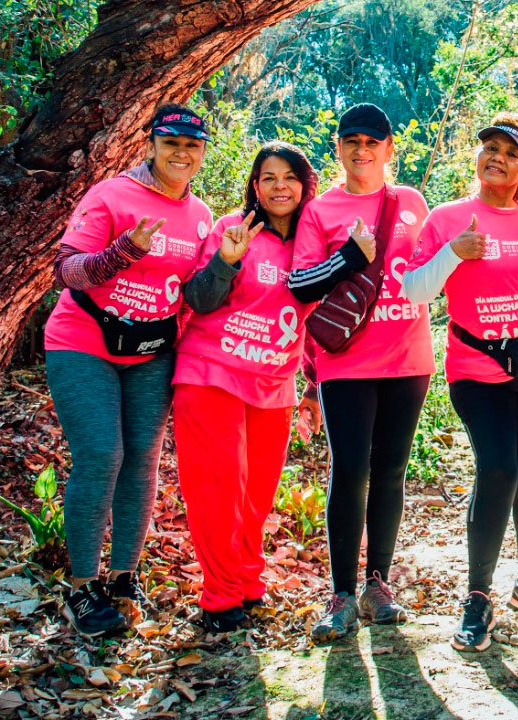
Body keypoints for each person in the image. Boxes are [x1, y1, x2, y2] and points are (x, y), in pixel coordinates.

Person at [44, 103, 213, 636]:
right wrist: (122, 252)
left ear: (202, 152)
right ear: (152, 145)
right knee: (101, 454)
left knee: (141, 460)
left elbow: (193, 293)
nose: (181, 154)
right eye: (171, 144)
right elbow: (67, 271)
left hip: (152, 349)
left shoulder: (202, 215)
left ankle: (123, 575)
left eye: (191, 146)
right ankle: (82, 585)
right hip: (83, 342)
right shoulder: (112, 195)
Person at [403, 113, 518, 653]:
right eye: (489, 148)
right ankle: (477, 595)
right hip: (477, 370)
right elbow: (415, 292)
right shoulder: (449, 217)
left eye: (512, 152)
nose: (498, 157)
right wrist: (455, 253)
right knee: (498, 468)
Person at [282, 104, 435, 644]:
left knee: (391, 470)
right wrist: (349, 256)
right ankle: (342, 593)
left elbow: (436, 268)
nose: (362, 149)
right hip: (345, 361)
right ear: (339, 148)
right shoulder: (321, 210)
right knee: (349, 469)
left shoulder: (412, 203)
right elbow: (300, 285)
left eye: (373, 141)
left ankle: (378, 585)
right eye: (352, 141)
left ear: (390, 149)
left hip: (409, 358)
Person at [173, 141, 318, 632]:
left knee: (257, 492)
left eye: (290, 177)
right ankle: (220, 595)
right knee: (217, 490)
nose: (280, 187)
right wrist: (226, 261)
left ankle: (247, 581)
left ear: (304, 185)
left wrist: (314, 387)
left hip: (274, 382)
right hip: (211, 373)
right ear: (255, 186)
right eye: (269, 177)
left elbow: (319, 319)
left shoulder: (312, 240)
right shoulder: (232, 228)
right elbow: (197, 299)